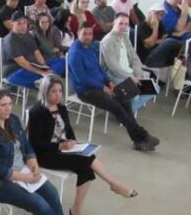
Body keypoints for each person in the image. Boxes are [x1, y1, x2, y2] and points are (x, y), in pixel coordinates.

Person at [27, 75, 136, 215]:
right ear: (45, 92)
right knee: (86, 163)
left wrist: (73, 142)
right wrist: (59, 147)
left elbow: (69, 130)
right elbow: (34, 143)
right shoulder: (37, 112)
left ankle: (84, 206)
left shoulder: (61, 108)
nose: (58, 95)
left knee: (87, 160)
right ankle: (86, 204)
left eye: (60, 91)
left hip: (63, 148)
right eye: (53, 91)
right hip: (44, 154)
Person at [67, 22, 160, 151]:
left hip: (101, 86)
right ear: (78, 33)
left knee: (125, 101)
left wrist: (109, 82)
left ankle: (138, 140)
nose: (88, 37)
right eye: (84, 34)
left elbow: (99, 68)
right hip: (86, 91)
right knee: (117, 107)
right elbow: (81, 79)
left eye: (90, 34)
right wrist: (103, 87)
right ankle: (142, 136)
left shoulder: (89, 48)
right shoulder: (75, 53)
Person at [100, 13, 153, 113]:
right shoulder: (108, 41)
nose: (123, 26)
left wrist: (138, 73)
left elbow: (134, 57)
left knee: (153, 89)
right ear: (114, 23)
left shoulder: (125, 37)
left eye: (126, 24)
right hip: (114, 75)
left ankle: (126, 112)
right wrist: (131, 77)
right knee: (135, 94)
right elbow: (113, 67)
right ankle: (126, 112)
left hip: (129, 72)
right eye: (120, 23)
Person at [2, 12, 65, 88]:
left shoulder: (27, 34)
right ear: (12, 24)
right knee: (50, 77)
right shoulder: (10, 40)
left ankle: (45, 80)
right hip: (15, 72)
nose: (23, 26)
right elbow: (22, 63)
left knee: (62, 61)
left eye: (25, 23)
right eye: (19, 23)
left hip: (32, 66)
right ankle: (45, 82)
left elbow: (36, 51)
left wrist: (44, 66)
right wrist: (42, 72)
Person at [136, 3, 184, 68]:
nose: (159, 17)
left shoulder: (161, 24)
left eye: (161, 15)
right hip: (147, 57)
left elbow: (164, 39)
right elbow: (150, 44)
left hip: (159, 53)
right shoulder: (142, 26)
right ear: (150, 13)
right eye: (156, 13)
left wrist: (156, 41)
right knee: (169, 42)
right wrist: (155, 27)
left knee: (176, 50)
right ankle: (187, 45)